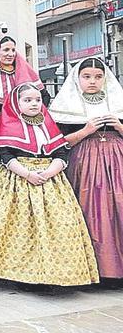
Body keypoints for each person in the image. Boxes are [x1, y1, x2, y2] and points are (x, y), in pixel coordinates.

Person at [0, 82, 99, 287]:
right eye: (27, 100)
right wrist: (27, 174)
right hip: (17, 179)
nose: (34, 104)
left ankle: (53, 274)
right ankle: (17, 275)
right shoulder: (7, 125)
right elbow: (5, 154)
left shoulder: (48, 125)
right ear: (16, 102)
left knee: (59, 226)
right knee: (17, 228)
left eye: (37, 100)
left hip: (50, 179)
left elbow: (61, 151)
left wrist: (49, 172)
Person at [49, 58, 123, 280]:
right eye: (87, 76)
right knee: (89, 210)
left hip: (118, 162)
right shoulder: (65, 107)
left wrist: (119, 126)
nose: (92, 81)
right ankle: (94, 270)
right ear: (78, 78)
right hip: (84, 164)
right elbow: (58, 143)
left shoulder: (118, 102)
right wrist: (86, 130)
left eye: (98, 77)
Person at [0, 36, 48, 113]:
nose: (11, 54)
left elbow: (45, 97)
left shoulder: (25, 71)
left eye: (13, 50)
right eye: (6, 50)